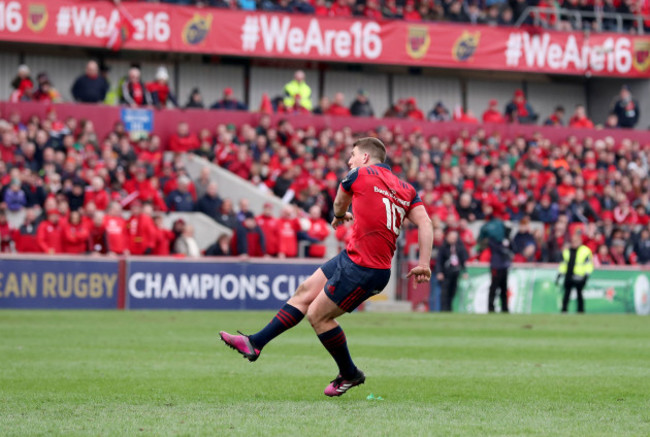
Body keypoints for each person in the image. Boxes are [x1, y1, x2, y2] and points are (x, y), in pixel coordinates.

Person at [220, 137, 433, 397]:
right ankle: (255, 343)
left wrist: (341, 215)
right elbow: (425, 223)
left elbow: (338, 205)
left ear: (365, 158)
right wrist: (423, 263)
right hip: (354, 257)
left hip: (364, 268)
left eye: (353, 155)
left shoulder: (359, 174)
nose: (349, 160)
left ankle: (350, 373)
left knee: (318, 316)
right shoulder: (406, 189)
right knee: (304, 292)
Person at [478, 204, 512, 313]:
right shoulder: (496, 239)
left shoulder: (502, 239)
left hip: (501, 263)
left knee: (501, 287)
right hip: (497, 263)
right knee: (496, 287)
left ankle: (502, 308)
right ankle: (493, 307)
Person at [556, 231, 593, 313]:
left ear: (580, 241)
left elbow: (588, 264)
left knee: (579, 294)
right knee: (566, 294)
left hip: (579, 276)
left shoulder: (585, 251)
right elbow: (563, 264)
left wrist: (586, 275)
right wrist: (560, 274)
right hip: (569, 276)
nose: (574, 243)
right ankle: (564, 310)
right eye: (572, 241)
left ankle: (581, 310)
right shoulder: (567, 251)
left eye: (575, 241)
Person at [435, 229, 468, 312]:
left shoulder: (459, 248)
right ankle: (444, 309)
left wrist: (464, 272)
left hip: (455, 272)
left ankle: (449, 309)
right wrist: (439, 272)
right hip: (446, 273)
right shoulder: (443, 248)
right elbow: (439, 261)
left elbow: (463, 260)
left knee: (452, 291)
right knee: (445, 292)